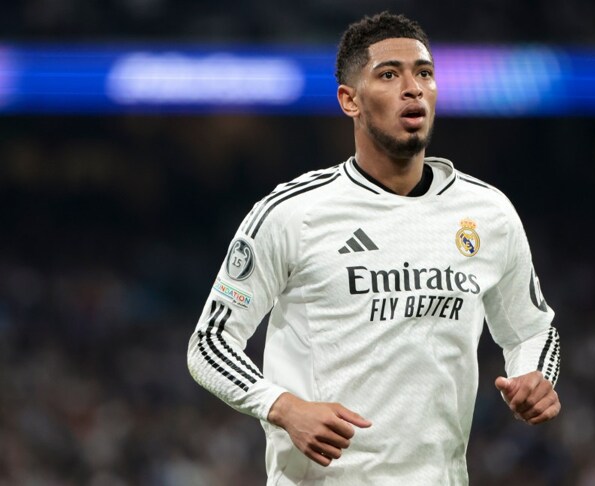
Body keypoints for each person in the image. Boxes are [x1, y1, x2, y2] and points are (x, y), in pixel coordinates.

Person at [187, 11, 561, 485]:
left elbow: (532, 331)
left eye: (424, 73)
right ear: (350, 100)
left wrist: (534, 375)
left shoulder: (488, 213)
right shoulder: (292, 214)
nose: (413, 89)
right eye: (389, 75)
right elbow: (209, 343)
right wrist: (283, 406)